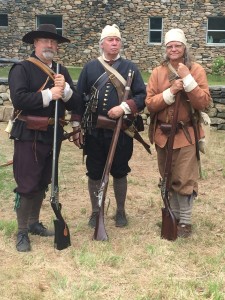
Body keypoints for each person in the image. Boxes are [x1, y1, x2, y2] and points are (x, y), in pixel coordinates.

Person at [8, 24, 81, 252]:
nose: (49, 45)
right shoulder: (21, 69)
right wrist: (50, 95)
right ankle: (21, 232)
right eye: (44, 41)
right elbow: (19, 99)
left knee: (42, 180)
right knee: (27, 183)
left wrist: (66, 90)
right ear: (35, 44)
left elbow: (77, 103)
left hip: (53, 134)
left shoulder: (60, 69)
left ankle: (33, 224)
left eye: (53, 41)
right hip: (29, 133)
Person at [71, 24, 146, 228]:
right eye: (110, 40)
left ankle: (120, 211)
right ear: (102, 43)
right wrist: (77, 125)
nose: (114, 43)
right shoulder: (90, 67)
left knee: (120, 171)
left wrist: (124, 107)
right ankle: (96, 211)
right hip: (94, 131)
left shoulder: (130, 67)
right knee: (94, 172)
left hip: (121, 131)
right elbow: (79, 98)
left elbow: (141, 97)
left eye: (117, 40)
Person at [145, 28, 211, 237]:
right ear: (166, 49)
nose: (173, 49)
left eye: (177, 45)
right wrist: (171, 92)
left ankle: (186, 222)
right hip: (163, 136)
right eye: (170, 46)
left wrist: (187, 79)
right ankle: (172, 216)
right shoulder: (158, 72)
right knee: (167, 176)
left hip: (186, 134)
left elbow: (203, 102)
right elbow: (150, 104)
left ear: (184, 48)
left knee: (184, 178)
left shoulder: (196, 69)